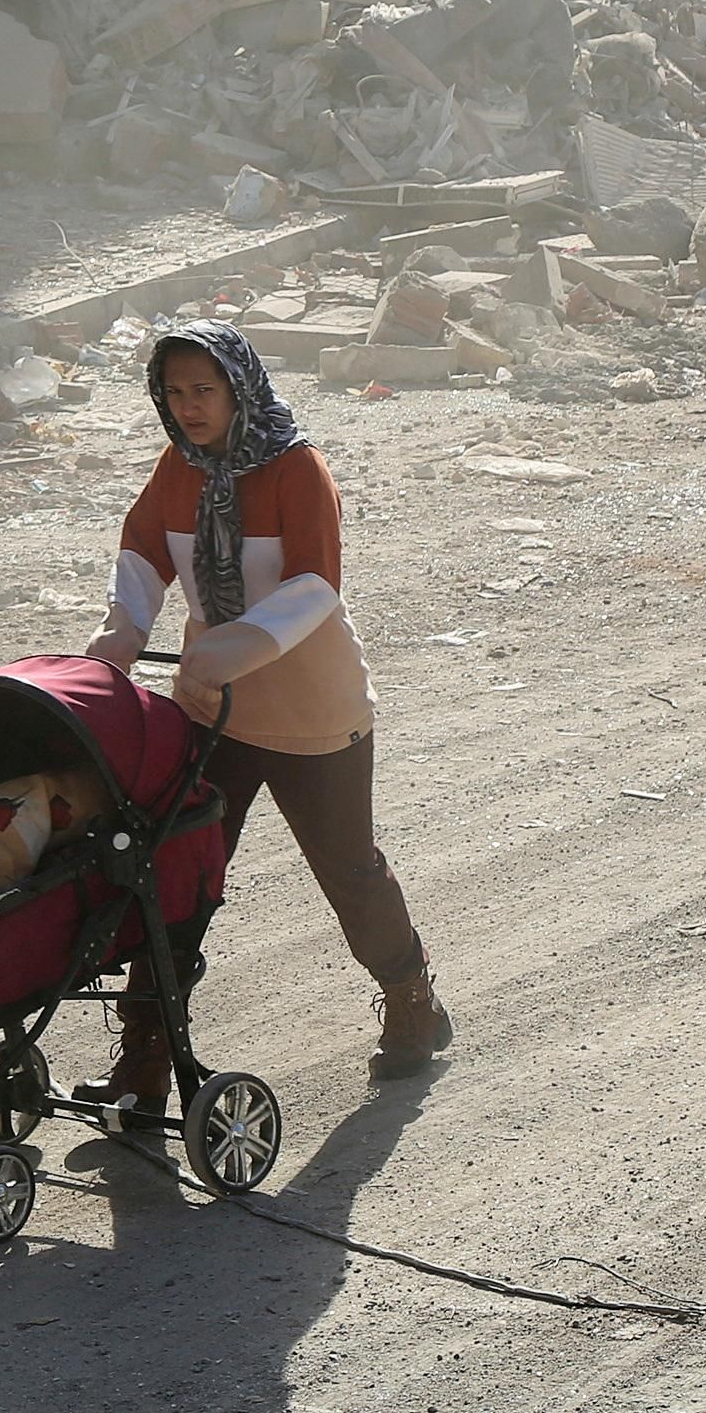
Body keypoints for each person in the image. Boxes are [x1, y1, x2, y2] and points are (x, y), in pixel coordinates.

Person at [78, 321, 451, 1107]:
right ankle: (145, 1055)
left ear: (239, 387)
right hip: (214, 708)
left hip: (314, 707)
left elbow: (316, 586)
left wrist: (231, 647)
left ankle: (412, 998)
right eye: (176, 393)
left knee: (348, 868)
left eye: (204, 390)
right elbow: (145, 548)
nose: (189, 408)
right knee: (172, 877)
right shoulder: (178, 468)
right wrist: (123, 628)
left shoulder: (297, 468)